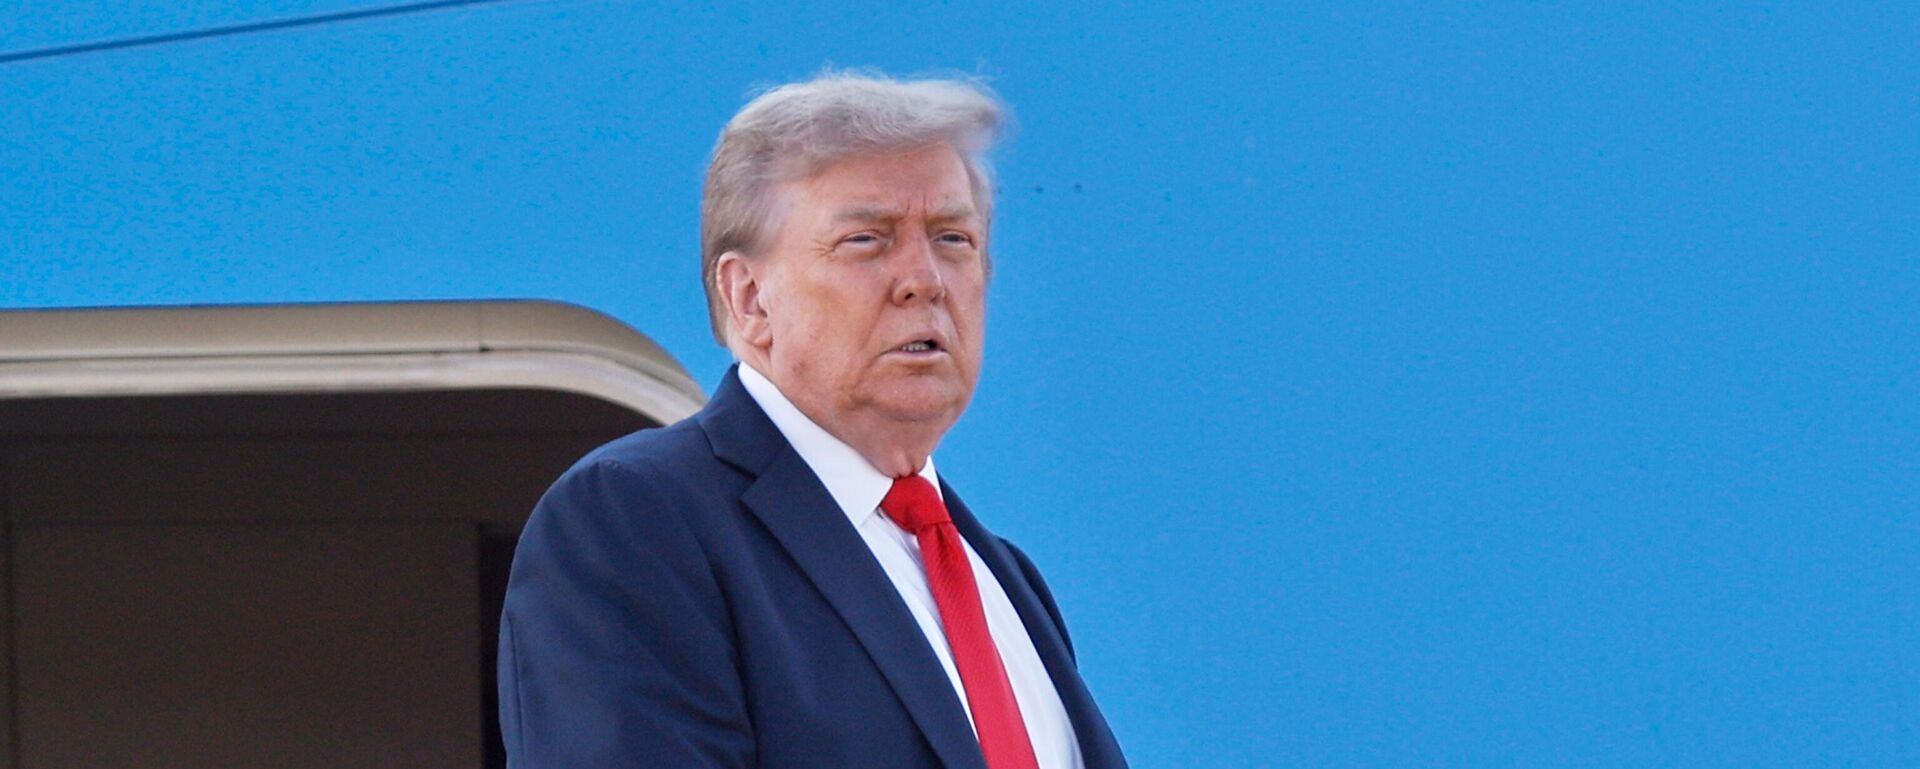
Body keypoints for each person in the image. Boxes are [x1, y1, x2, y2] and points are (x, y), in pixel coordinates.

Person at [497, 72, 1129, 769]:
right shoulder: (636, 521)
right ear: (750, 299)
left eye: (953, 237)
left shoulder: (1003, 575)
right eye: (867, 239)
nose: (925, 278)